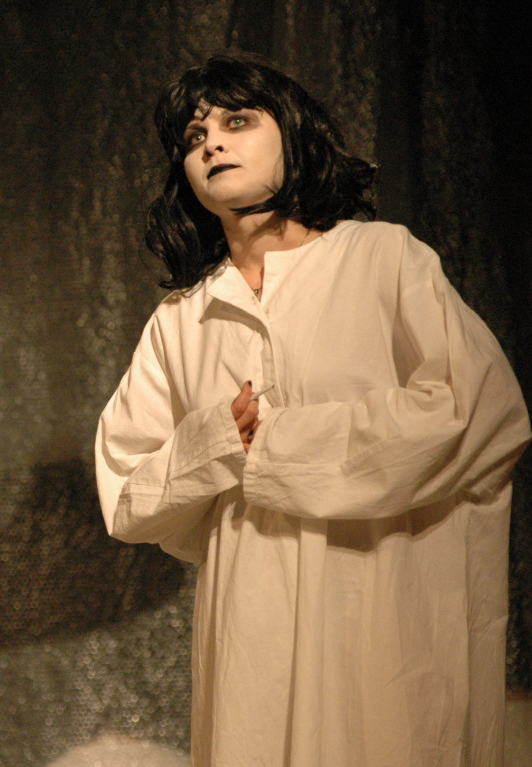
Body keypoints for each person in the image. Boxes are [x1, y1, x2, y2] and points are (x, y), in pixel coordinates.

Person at [95, 54, 530, 767]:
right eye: (194, 136)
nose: (212, 144)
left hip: (381, 605)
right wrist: (214, 441)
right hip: (251, 631)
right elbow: (125, 489)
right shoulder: (182, 319)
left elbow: (479, 410)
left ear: (293, 133)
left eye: (237, 121)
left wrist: (277, 444)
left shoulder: (382, 258)